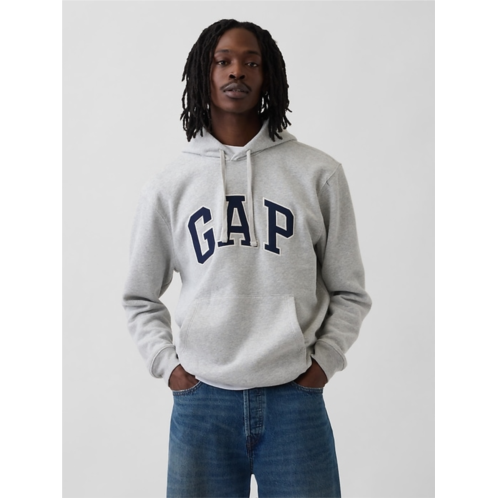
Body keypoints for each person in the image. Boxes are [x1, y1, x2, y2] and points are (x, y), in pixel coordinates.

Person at [122, 19, 372, 498]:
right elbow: (139, 297)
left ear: (268, 75)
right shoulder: (170, 185)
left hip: (294, 401)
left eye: (251, 62)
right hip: (202, 403)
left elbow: (349, 290)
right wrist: (170, 367)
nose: (237, 71)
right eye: (223, 61)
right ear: (204, 73)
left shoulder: (317, 173)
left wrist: (323, 363)